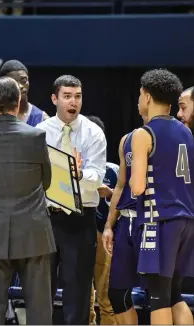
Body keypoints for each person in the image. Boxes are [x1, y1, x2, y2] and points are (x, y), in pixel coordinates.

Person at [0, 76, 55, 324]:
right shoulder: (36, 136)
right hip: (33, 232)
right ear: (17, 104)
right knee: (39, 310)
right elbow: (46, 181)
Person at [36, 75, 107, 325]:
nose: (73, 102)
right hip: (46, 218)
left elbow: (97, 176)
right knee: (41, 290)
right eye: (67, 96)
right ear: (55, 99)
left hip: (80, 218)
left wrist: (77, 173)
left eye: (77, 96)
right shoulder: (39, 133)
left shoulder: (93, 133)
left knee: (78, 294)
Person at [129, 68, 194, 325]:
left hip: (160, 220)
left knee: (158, 297)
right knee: (175, 295)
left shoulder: (143, 134)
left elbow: (137, 187)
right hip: (187, 221)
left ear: (146, 96)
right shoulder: (187, 132)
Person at [102, 120, 147, 325]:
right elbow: (120, 185)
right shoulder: (126, 140)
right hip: (125, 220)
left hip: (152, 220)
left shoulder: (169, 138)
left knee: (161, 297)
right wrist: (109, 225)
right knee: (117, 294)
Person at [85, 115, 117, 325]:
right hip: (78, 233)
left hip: (104, 233)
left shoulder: (114, 170)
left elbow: (131, 200)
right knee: (83, 298)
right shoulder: (73, 167)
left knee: (106, 296)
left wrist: (110, 193)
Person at [0, 59, 49, 128]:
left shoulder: (43, 119)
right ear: (3, 84)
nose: (20, 86)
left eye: (24, 80)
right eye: (14, 83)